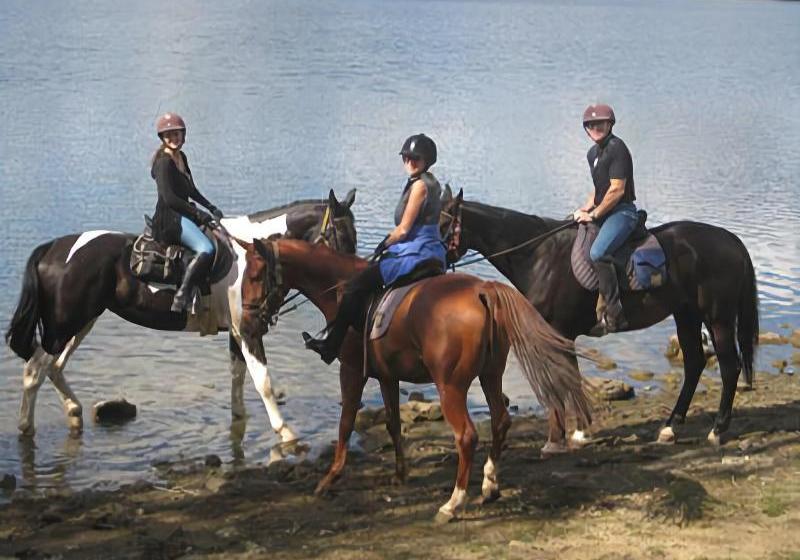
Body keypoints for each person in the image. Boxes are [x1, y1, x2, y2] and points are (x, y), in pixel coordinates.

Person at [303, 133, 446, 364]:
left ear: (426, 160)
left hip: (416, 252)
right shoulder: (430, 182)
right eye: (406, 157)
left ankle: (331, 345)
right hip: (428, 249)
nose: (409, 162)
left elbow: (403, 230)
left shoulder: (420, 186)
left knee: (353, 287)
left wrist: (384, 244)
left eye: (415, 158)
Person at [573, 103, 639, 333]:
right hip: (604, 211)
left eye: (600, 123)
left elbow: (616, 190)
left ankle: (615, 312)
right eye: (590, 124)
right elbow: (598, 191)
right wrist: (581, 211)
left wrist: (594, 214)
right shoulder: (592, 154)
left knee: (598, 252)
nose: (595, 127)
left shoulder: (617, 148)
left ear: (610, 124)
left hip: (622, 212)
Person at [150, 112, 224, 313]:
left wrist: (211, 207)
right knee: (206, 249)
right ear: (163, 138)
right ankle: (182, 295)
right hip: (169, 219)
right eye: (169, 135)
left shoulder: (181, 157)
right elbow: (169, 199)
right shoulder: (163, 162)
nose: (174, 139)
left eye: (177, 134)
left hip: (183, 213)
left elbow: (191, 189)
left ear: (183, 135)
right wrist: (199, 214)